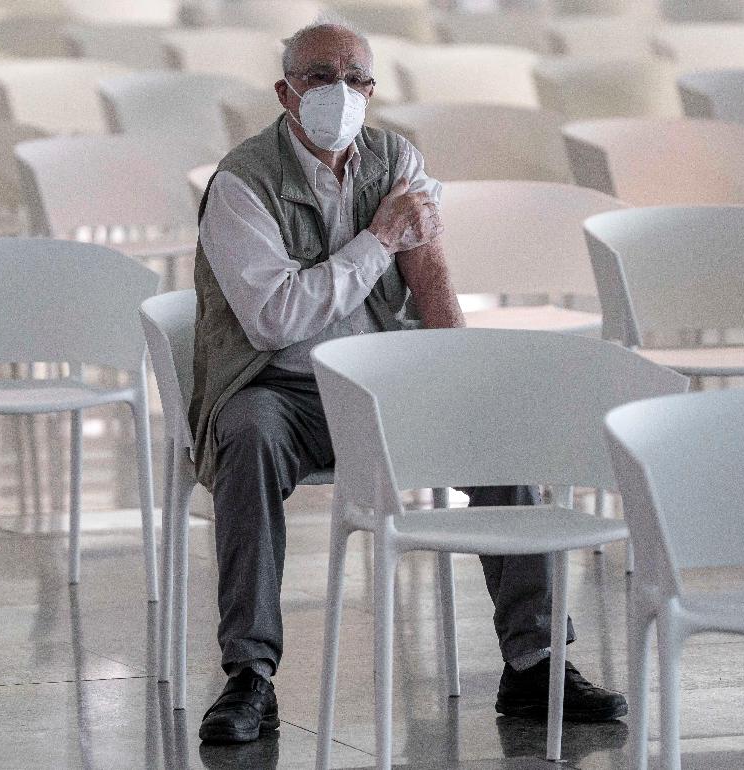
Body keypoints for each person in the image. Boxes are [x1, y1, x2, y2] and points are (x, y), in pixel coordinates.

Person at [190, 21, 628, 744]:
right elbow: (274, 319)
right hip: (285, 387)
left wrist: (459, 379)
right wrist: (376, 242)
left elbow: (431, 276)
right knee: (247, 435)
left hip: (388, 381)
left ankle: (536, 663)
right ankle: (250, 676)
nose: (340, 93)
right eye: (320, 77)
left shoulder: (394, 158)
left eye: (355, 79)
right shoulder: (242, 183)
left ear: (371, 88)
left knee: (498, 440)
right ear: (285, 91)